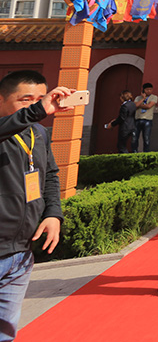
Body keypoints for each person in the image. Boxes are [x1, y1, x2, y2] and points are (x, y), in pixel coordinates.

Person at [0, 71, 68, 337]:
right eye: (25, 99)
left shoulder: (38, 133)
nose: (37, 105)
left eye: (41, 99)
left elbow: (49, 174)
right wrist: (36, 110)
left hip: (20, 254)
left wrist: (53, 214)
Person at [134, 83, 157, 152]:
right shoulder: (138, 98)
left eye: (150, 89)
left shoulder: (154, 97)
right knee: (134, 138)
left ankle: (146, 153)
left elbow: (149, 106)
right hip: (137, 119)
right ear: (143, 90)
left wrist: (139, 105)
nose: (149, 91)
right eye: (147, 89)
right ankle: (134, 152)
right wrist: (143, 99)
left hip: (147, 120)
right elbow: (135, 105)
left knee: (146, 138)